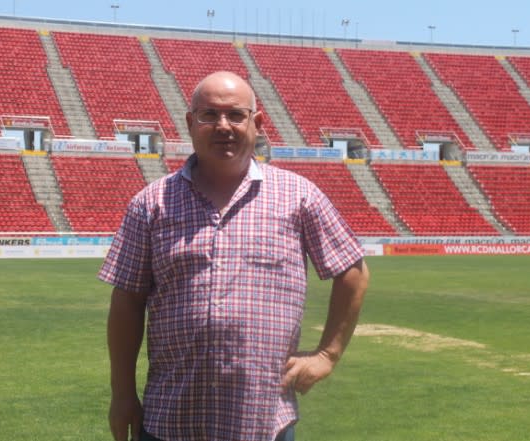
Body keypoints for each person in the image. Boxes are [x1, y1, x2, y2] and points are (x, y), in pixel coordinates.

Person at [99, 71, 369, 441]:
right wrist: (123, 394)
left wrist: (327, 355)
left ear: (257, 123)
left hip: (263, 422)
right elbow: (126, 301)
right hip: (170, 421)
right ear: (191, 123)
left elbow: (352, 269)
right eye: (209, 115)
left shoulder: (298, 197)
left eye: (235, 115)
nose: (223, 126)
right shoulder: (151, 203)